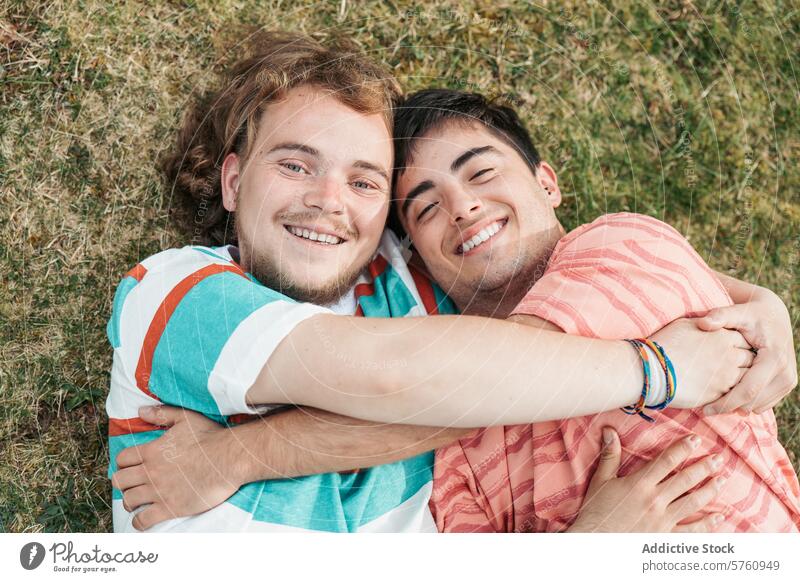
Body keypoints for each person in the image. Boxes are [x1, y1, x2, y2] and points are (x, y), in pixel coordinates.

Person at [108, 34, 792, 532]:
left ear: (384, 218)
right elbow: (405, 377)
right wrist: (659, 370)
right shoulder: (171, 293)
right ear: (232, 180)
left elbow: (559, 279)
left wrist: (755, 305)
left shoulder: (428, 280)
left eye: (365, 182)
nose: (328, 200)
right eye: (294, 164)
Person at [387, 90, 799, 532]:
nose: (463, 207)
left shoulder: (621, 244)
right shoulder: (454, 457)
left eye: (482, 172)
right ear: (418, 261)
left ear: (547, 183)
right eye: (427, 207)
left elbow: (498, 368)